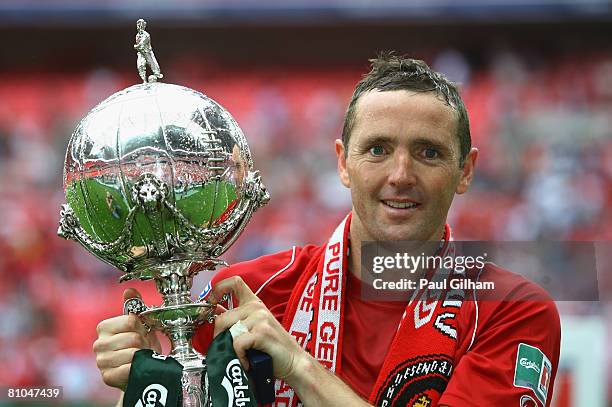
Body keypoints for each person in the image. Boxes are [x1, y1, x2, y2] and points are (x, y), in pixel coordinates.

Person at [93, 53, 560, 406]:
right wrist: (148, 378)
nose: (400, 174)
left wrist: (298, 366)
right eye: (377, 149)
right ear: (343, 162)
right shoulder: (252, 294)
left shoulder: (515, 311)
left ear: (466, 170)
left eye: (429, 153)